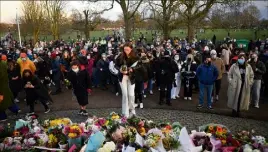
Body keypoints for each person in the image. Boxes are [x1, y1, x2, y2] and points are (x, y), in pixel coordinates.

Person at [115, 42, 140, 117]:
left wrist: (132, 69)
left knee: (131, 94)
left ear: (131, 49)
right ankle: (125, 113)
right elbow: (116, 65)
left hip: (131, 77)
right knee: (125, 95)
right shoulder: (120, 56)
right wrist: (120, 69)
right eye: (125, 50)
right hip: (122, 77)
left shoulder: (135, 56)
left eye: (128, 50)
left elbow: (140, 65)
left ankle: (132, 110)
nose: (126, 51)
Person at [227, 53, 254, 117]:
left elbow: (251, 76)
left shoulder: (248, 67)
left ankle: (239, 111)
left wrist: (250, 82)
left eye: (242, 58)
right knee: (235, 98)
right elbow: (229, 74)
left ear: (245, 59)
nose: (240, 60)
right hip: (236, 85)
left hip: (244, 85)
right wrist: (231, 81)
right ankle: (234, 111)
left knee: (241, 98)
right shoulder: (234, 66)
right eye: (239, 58)